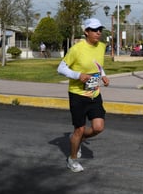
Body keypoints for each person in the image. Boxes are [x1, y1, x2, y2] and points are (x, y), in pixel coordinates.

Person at [57, 18, 110, 172]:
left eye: (100, 29)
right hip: (78, 95)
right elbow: (60, 68)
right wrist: (77, 75)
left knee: (98, 127)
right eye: (94, 30)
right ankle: (72, 160)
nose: (98, 32)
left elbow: (98, 65)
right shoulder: (77, 49)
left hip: (94, 93)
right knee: (79, 130)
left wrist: (103, 75)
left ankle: (77, 140)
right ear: (86, 32)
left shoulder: (101, 46)